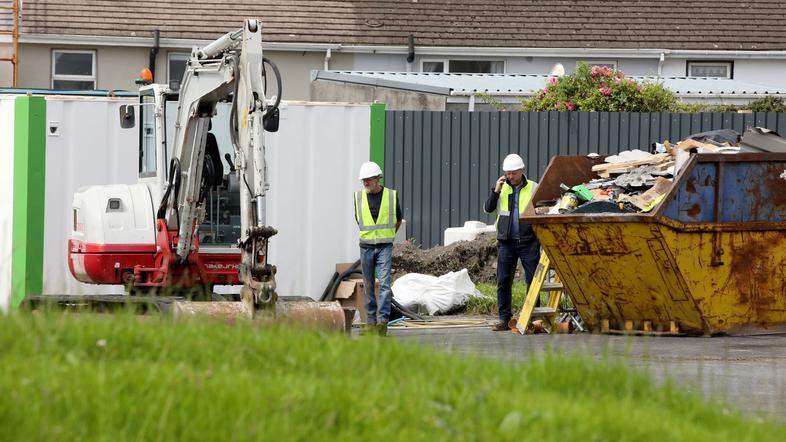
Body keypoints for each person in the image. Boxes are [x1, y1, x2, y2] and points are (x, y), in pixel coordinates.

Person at [483, 153, 541, 331]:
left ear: (522, 171)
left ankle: (534, 318)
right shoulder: (502, 189)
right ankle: (503, 318)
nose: (510, 177)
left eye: (513, 173)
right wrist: (496, 190)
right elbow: (488, 209)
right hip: (506, 242)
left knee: (533, 281)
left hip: (528, 241)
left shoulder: (534, 188)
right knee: (504, 280)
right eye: (507, 173)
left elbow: (542, 209)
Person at [354, 161, 402, 336]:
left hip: (384, 247)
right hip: (366, 246)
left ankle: (382, 323)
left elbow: (397, 219)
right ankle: (371, 324)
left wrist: (387, 237)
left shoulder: (391, 196)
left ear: (377, 179)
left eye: (368, 179)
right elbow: (360, 221)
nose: (365, 183)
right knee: (368, 286)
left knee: (384, 285)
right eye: (363, 180)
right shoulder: (358, 198)